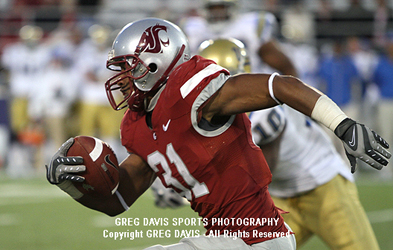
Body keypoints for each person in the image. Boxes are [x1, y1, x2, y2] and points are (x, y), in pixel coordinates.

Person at [46, 18, 391, 250]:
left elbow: (279, 85)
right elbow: (116, 202)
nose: (122, 79)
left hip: (257, 237)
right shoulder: (137, 126)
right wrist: (70, 184)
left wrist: (343, 125)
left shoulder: (192, 90)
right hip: (228, 239)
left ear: (156, 60)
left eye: (129, 67)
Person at [153, 37, 382, 250]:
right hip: (280, 196)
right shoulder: (202, 115)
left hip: (322, 184)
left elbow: (261, 171)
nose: (205, 92)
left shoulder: (260, 106)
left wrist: (186, 191)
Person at [180, 0, 297, 76]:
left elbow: (286, 67)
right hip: (205, 89)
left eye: (221, 8)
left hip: (247, 91)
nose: (217, 13)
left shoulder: (249, 26)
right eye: (213, 8)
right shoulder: (192, 28)